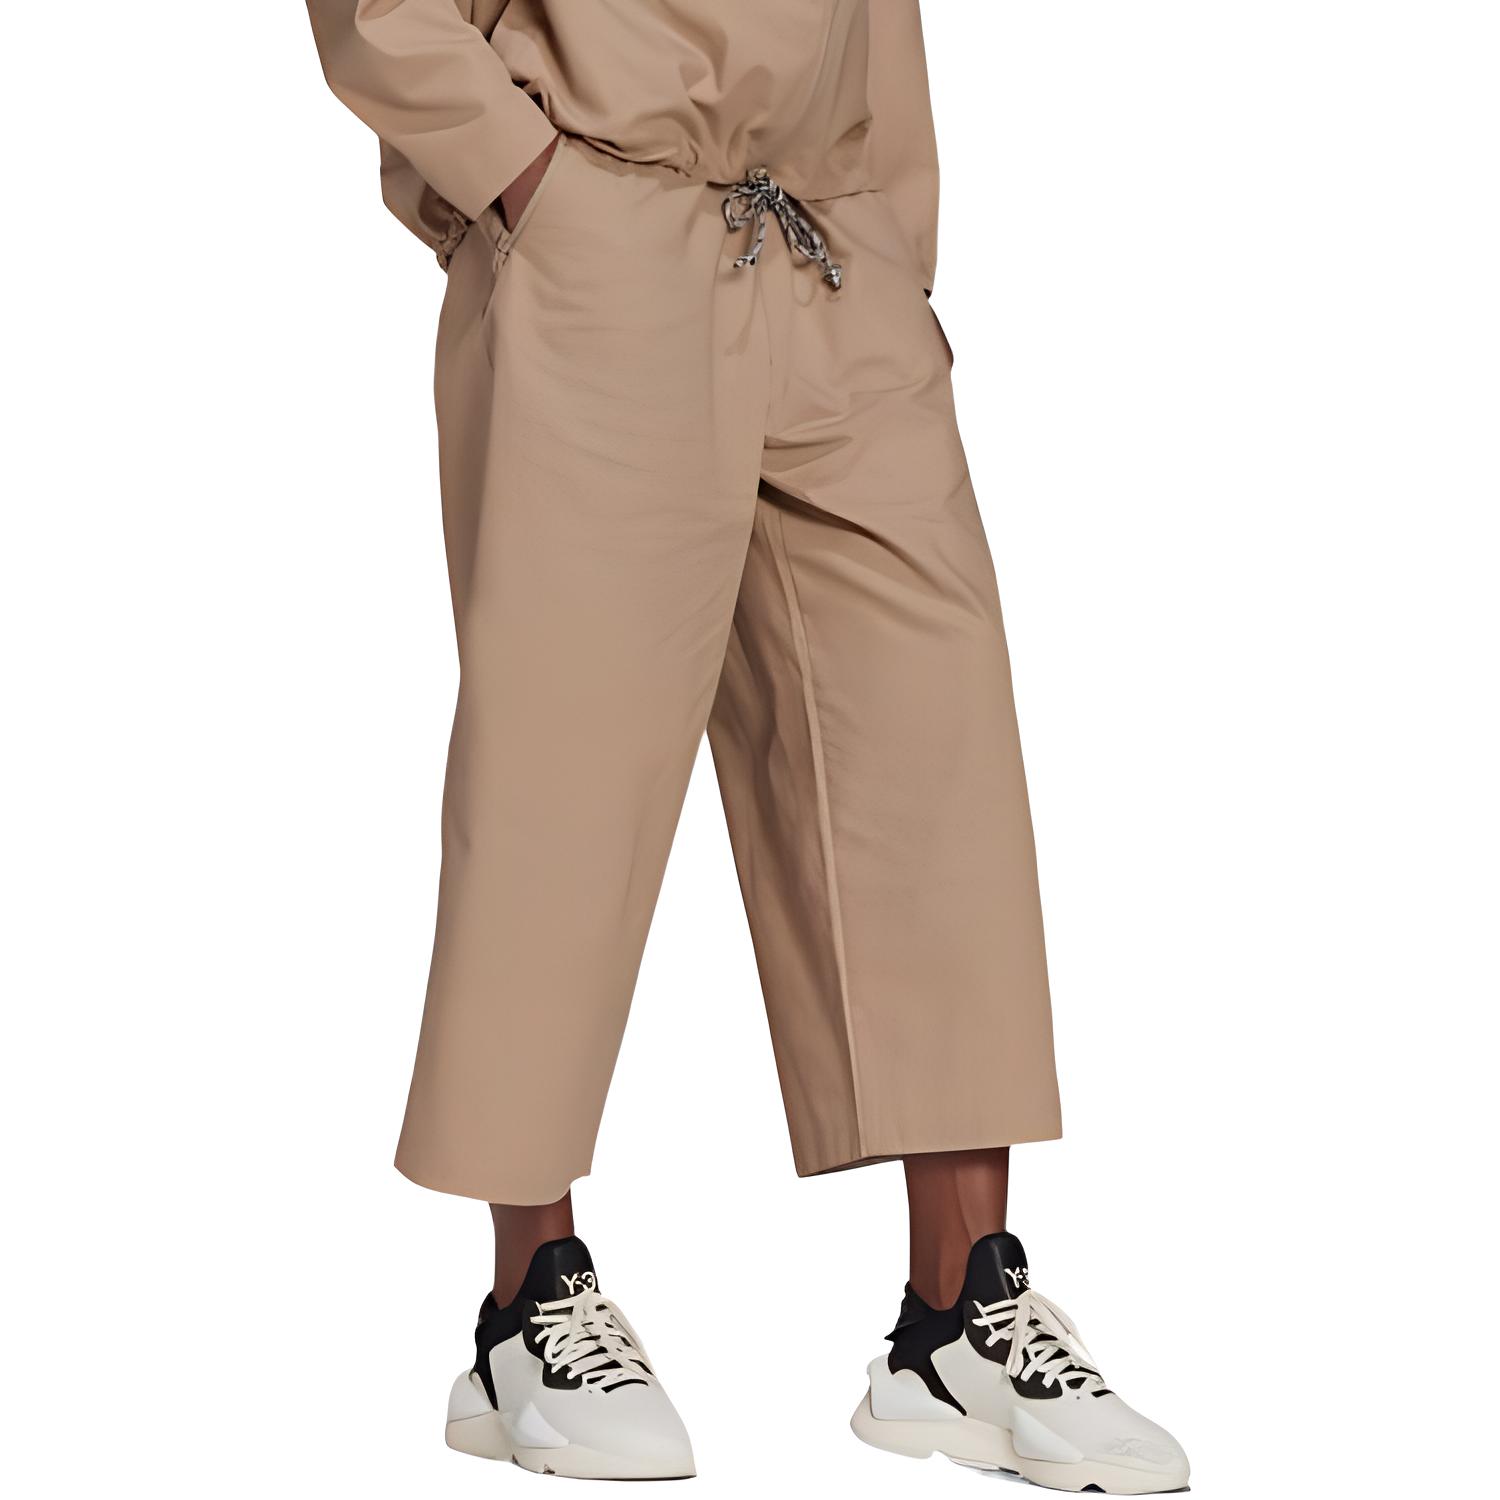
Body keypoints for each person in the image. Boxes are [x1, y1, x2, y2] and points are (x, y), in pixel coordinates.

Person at [305, 2, 1188, 1490]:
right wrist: (525, 186)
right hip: (602, 227)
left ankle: (957, 1315)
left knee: (935, 755)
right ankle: (530, 1300)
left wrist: (893, 242)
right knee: (568, 770)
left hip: (830, 249)